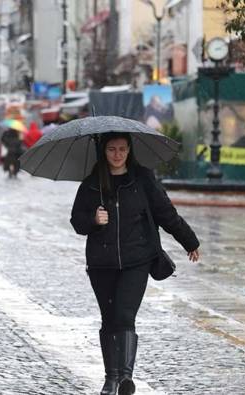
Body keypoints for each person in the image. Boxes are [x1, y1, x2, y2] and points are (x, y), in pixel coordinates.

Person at [70, 132, 200, 395]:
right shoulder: (91, 185)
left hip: (136, 260)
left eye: (122, 149)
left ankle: (125, 378)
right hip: (101, 264)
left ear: (130, 151)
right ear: (103, 152)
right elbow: (77, 221)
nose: (117, 155)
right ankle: (111, 379)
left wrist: (189, 241)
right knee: (109, 319)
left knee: (125, 315)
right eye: (111, 149)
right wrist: (94, 220)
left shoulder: (142, 179)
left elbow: (165, 212)